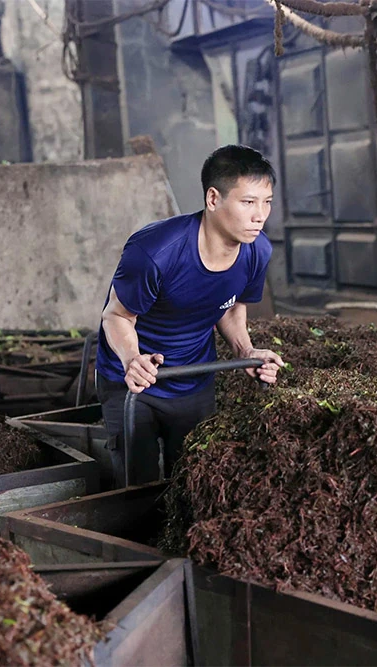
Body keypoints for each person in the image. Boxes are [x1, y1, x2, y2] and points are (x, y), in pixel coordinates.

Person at [95, 145, 284, 488]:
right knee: (139, 488)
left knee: (192, 482)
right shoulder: (155, 252)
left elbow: (231, 307)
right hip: (136, 383)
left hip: (194, 376)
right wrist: (132, 360)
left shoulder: (257, 251)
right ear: (214, 199)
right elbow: (117, 316)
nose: (260, 215)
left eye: (267, 202)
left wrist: (246, 351)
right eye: (248, 202)